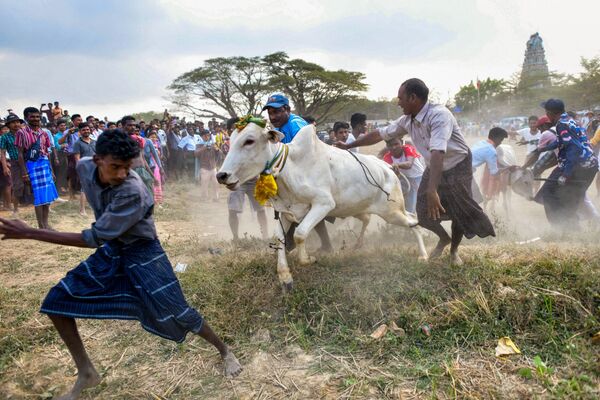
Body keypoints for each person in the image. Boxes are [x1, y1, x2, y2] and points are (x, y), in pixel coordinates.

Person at [0, 129, 242, 400]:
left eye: (127, 167)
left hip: (143, 252)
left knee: (178, 310)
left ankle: (224, 350)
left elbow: (93, 238)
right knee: (57, 300)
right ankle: (87, 372)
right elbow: (101, 232)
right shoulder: (83, 167)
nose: (121, 174)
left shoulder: (132, 191)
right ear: (97, 160)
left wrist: (32, 232)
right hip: (114, 250)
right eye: (115, 166)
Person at [336, 78, 495, 265]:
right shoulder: (406, 120)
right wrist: (349, 146)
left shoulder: (439, 115)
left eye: (400, 98)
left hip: (457, 164)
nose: (398, 103)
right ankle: (444, 238)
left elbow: (438, 152)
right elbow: (379, 134)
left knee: (458, 209)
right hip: (433, 165)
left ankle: (454, 252)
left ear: (413, 98)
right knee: (422, 212)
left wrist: (432, 190)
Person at [263, 93, 333, 252]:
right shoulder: (278, 127)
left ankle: (290, 244)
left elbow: (307, 154)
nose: (272, 116)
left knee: (302, 207)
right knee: (304, 208)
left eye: (276, 112)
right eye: (270, 113)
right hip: (293, 177)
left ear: (287, 109)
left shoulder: (296, 125)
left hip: (309, 176)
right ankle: (321, 244)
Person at [534, 99, 598, 227]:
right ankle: (568, 228)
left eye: (546, 112)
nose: (546, 116)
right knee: (567, 199)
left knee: (549, 193)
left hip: (580, 167)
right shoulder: (569, 120)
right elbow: (563, 141)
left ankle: (560, 228)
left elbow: (573, 149)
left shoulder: (561, 125)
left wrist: (566, 174)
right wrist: (545, 148)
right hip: (589, 165)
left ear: (551, 113)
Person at [225, 117, 269, 241]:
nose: (238, 130)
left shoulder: (248, 140)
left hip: (253, 179)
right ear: (229, 131)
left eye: (240, 128)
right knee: (233, 210)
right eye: (234, 128)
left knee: (261, 209)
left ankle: (265, 236)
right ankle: (235, 237)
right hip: (236, 180)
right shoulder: (230, 143)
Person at [15, 107, 59, 228]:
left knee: (47, 195)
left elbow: (47, 152)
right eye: (32, 117)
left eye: (37, 117)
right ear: (26, 118)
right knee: (39, 196)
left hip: (45, 165)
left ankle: (46, 223)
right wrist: (24, 173)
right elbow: (20, 154)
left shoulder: (44, 133)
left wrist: (51, 170)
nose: (35, 119)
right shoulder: (21, 133)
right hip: (32, 166)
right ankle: (41, 226)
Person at [382, 138, 425, 213]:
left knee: (419, 201)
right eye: (390, 145)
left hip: (418, 177)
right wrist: (396, 173)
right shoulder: (387, 157)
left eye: (396, 144)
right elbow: (394, 176)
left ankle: (415, 218)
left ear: (402, 143)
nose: (393, 147)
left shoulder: (408, 148)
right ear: (387, 146)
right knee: (407, 203)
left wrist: (396, 165)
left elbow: (409, 164)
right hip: (405, 179)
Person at [470, 127, 511, 205]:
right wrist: (508, 168)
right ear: (497, 138)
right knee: (476, 198)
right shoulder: (491, 151)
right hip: (464, 171)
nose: (500, 143)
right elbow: (494, 172)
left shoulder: (481, 142)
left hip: (462, 168)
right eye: (501, 140)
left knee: (473, 195)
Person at [0, 114, 25, 214]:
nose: (16, 124)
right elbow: (2, 153)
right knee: (16, 186)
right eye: (13, 122)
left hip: (28, 161)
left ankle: (42, 205)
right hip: (15, 163)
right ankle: (15, 209)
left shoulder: (24, 133)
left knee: (34, 184)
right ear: (9, 125)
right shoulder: (4, 137)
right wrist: (5, 166)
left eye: (18, 122)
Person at [71, 122, 96, 216]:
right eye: (84, 130)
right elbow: (77, 158)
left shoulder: (94, 141)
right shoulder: (77, 143)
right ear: (80, 132)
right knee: (84, 189)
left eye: (87, 129)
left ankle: (94, 206)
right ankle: (82, 210)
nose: (86, 131)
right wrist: (80, 170)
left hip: (95, 167)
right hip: (85, 168)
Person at [59, 114, 83, 200]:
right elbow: (60, 142)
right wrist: (67, 134)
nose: (80, 121)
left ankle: (81, 193)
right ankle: (71, 195)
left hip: (82, 154)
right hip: (72, 155)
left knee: (81, 175)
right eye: (78, 120)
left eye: (81, 120)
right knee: (72, 175)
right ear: (73, 121)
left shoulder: (83, 130)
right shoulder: (68, 131)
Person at [195, 130, 221, 201]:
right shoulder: (199, 144)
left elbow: (219, 153)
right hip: (204, 167)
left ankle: (216, 198)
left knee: (216, 183)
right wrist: (204, 148)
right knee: (204, 184)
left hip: (213, 167)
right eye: (205, 135)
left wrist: (217, 150)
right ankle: (204, 198)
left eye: (208, 135)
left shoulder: (213, 144)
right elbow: (196, 154)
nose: (207, 137)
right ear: (202, 136)